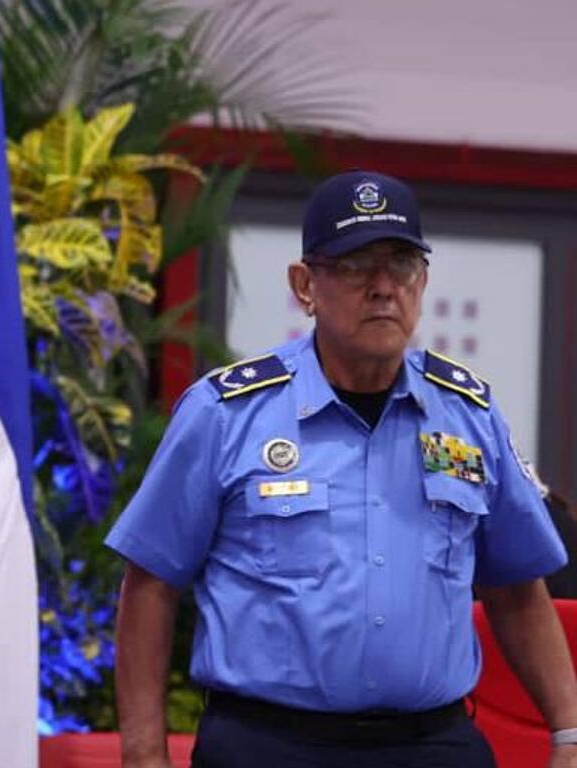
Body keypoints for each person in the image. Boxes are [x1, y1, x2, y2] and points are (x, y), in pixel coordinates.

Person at [107, 170, 577, 767]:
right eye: (356, 265)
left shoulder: (467, 414)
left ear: (423, 280)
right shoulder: (226, 414)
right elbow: (151, 583)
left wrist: (568, 731)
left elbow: (516, 589)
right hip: (271, 745)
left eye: (401, 265)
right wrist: (144, 754)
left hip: (430, 745)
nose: (383, 287)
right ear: (305, 286)